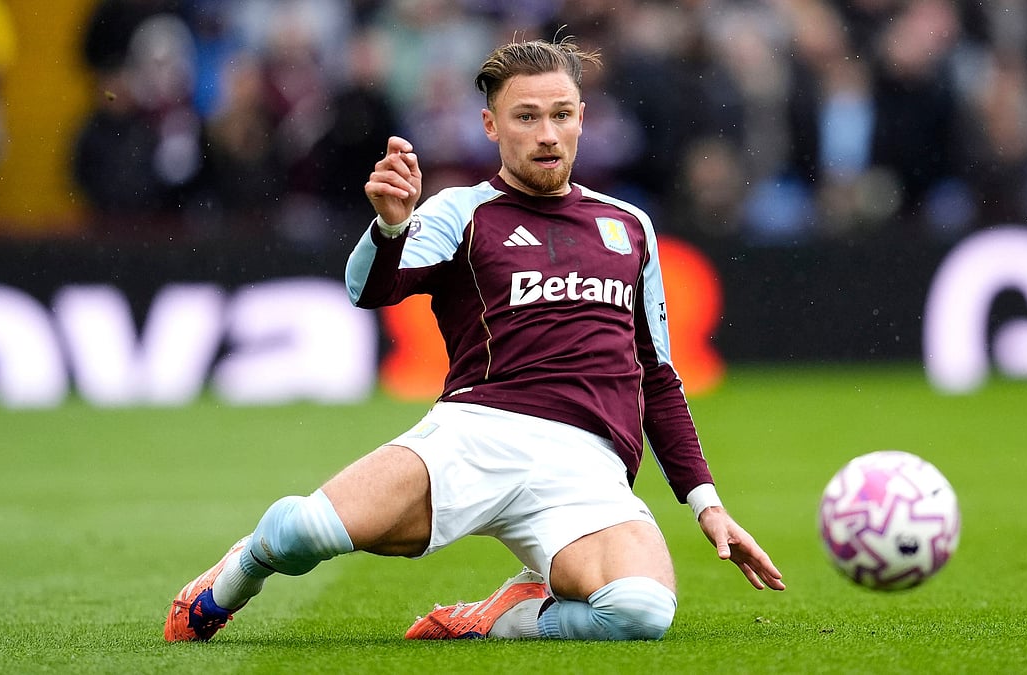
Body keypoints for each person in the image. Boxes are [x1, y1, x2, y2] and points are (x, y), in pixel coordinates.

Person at [163, 36, 784, 644]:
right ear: (491, 125)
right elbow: (369, 290)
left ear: (581, 118)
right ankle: (235, 576)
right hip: (474, 438)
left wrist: (706, 502)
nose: (546, 133)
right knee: (305, 534)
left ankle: (502, 616)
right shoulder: (461, 211)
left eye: (561, 115)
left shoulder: (628, 225)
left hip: (587, 469)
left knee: (640, 611)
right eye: (526, 116)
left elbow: (657, 376)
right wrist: (387, 227)